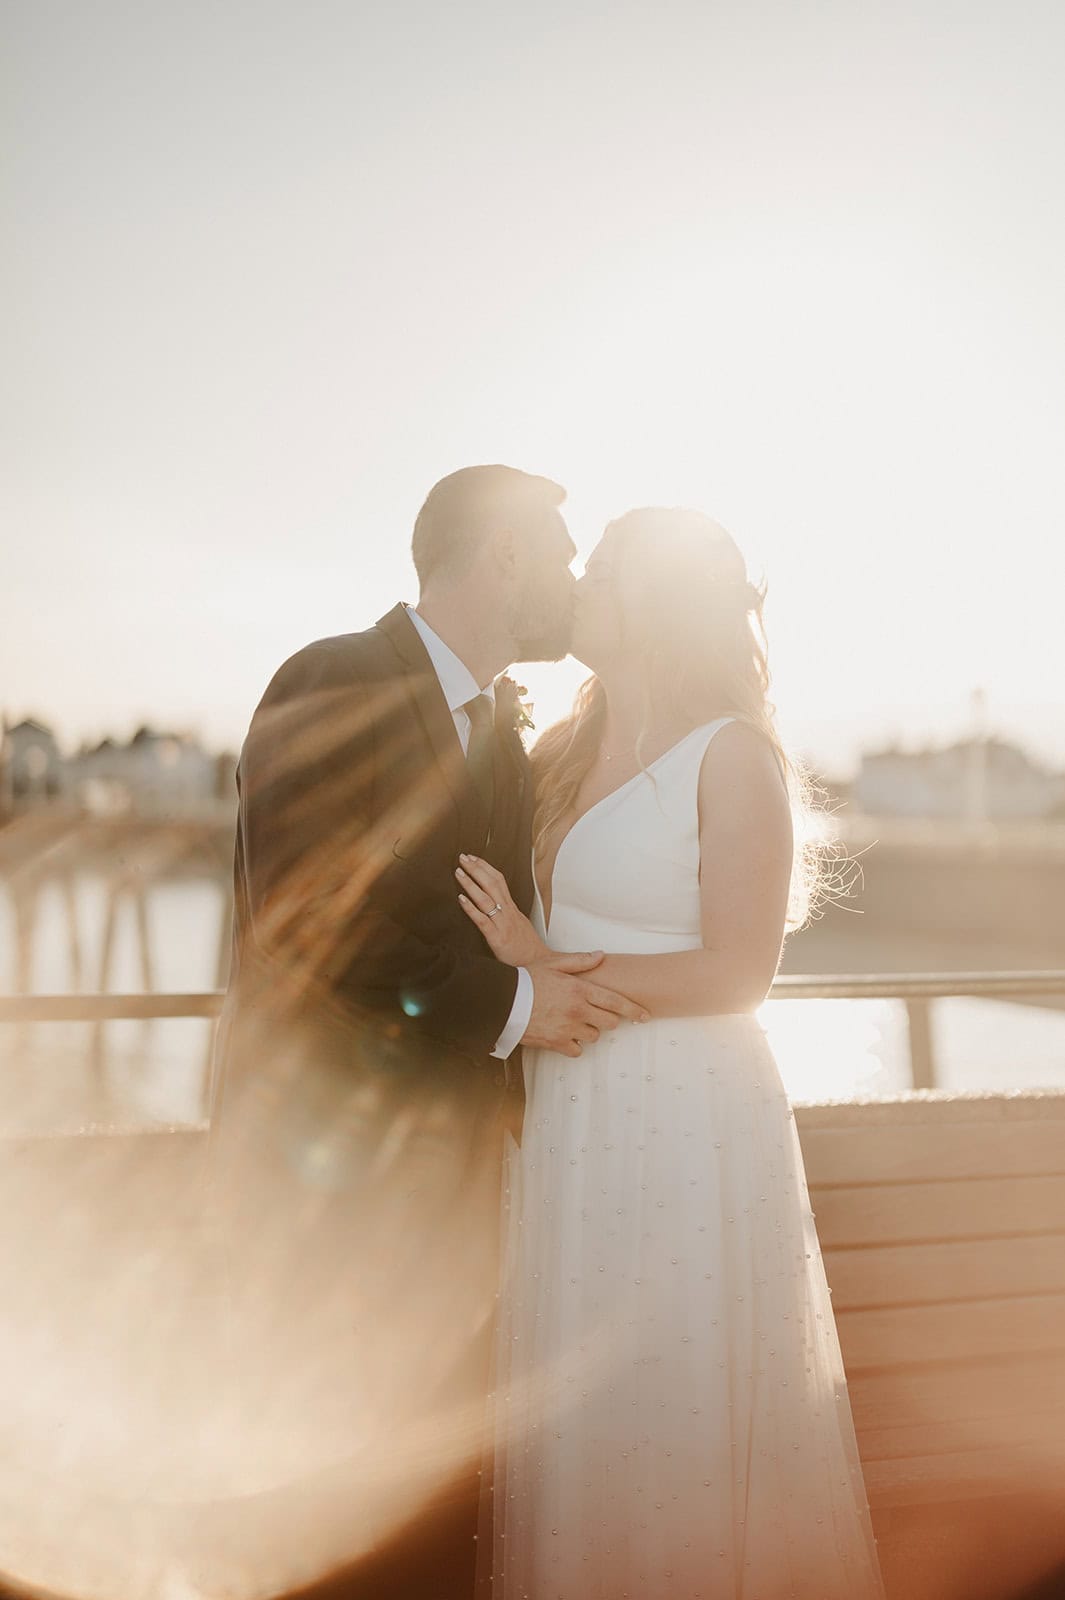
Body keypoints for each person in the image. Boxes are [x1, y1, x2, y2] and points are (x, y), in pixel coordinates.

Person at [208, 466, 646, 1599]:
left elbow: (495, 931)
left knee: (429, 1527)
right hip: (323, 1204)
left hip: (458, 1215)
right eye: (558, 550)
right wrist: (518, 1008)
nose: (571, 576)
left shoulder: (501, 738)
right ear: (501, 553)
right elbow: (310, 928)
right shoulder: (333, 677)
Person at [456, 508, 886, 1598]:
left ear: (650, 600)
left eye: (599, 572)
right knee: (587, 1408)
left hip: (691, 1114)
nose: (579, 588)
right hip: (574, 1111)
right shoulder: (555, 752)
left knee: (680, 1396)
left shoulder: (732, 754)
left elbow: (740, 972)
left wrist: (547, 965)